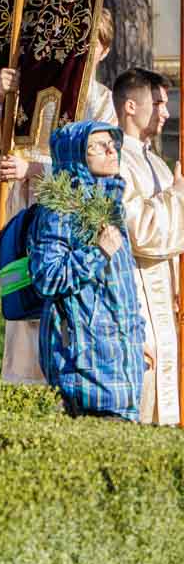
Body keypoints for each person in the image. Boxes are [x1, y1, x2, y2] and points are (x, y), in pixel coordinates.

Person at [0, 6, 116, 383]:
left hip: (72, 231)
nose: (81, 52)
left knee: (68, 320)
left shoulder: (100, 101)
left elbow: (100, 171)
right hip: (22, 222)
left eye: (91, 46)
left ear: (103, 51)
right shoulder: (30, 87)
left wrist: (35, 170)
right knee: (24, 328)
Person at [30, 121, 147, 421]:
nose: (111, 150)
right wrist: (97, 252)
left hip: (122, 362)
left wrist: (137, 339)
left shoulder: (110, 204)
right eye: (96, 146)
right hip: (85, 369)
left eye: (112, 143)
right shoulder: (62, 208)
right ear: (75, 156)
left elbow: (120, 287)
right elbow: (47, 277)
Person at [111, 67, 184, 423]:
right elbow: (139, 230)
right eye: (157, 103)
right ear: (130, 107)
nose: (166, 113)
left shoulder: (155, 161)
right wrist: (178, 198)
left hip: (165, 300)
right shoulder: (115, 162)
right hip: (136, 298)